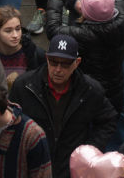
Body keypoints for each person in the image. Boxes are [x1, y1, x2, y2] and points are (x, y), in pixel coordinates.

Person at [9, 34, 115, 178]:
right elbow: (11, 122)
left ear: (77, 63)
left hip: (71, 168)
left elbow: (108, 120)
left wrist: (90, 150)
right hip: (33, 165)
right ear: (46, 58)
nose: (58, 69)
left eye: (65, 64)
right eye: (53, 62)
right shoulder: (24, 86)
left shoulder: (90, 90)